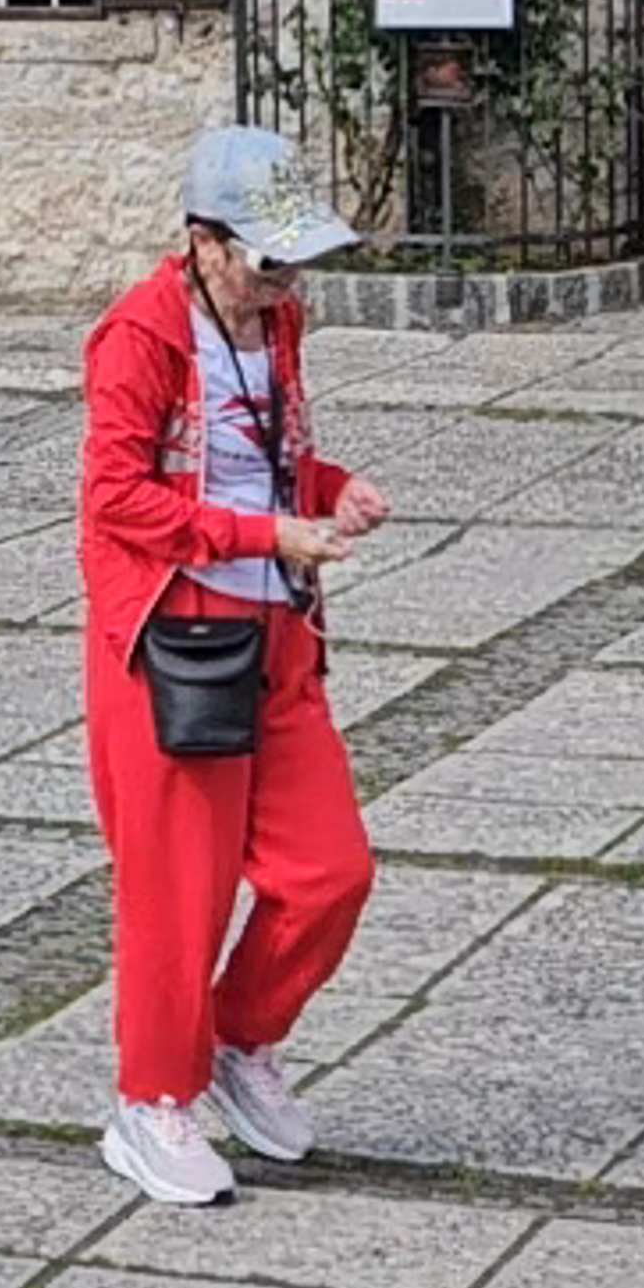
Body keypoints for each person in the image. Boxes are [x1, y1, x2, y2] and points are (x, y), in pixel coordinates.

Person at [78, 119, 392, 1208]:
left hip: (277, 636)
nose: (284, 277)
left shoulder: (277, 324)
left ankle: (238, 1036)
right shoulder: (139, 335)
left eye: (295, 255)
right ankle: (149, 1100)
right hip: (178, 644)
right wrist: (268, 535)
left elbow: (275, 457)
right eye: (267, 255)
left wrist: (329, 488)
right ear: (204, 242)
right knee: (177, 891)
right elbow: (117, 495)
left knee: (331, 869)